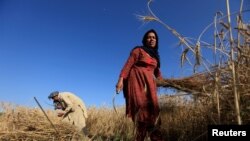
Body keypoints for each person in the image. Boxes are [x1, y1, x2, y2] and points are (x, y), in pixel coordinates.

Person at [116, 29, 163, 141]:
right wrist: (121, 80)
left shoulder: (155, 57)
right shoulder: (138, 50)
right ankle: (139, 138)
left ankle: (156, 138)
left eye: (154, 37)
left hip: (150, 85)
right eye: (149, 37)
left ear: (156, 41)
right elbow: (128, 65)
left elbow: (157, 72)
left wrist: (167, 83)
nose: (151, 39)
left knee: (153, 111)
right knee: (141, 111)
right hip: (137, 81)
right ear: (145, 40)